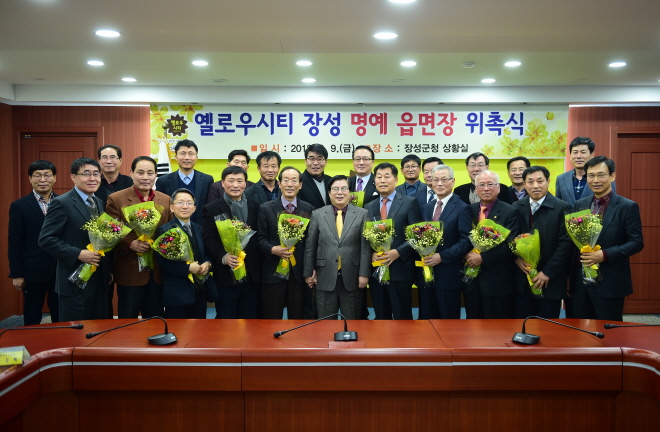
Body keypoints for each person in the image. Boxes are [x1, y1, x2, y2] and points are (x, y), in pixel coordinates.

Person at [570, 156, 643, 321]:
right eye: (591, 175)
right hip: (580, 284)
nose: (595, 180)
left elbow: (636, 242)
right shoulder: (580, 205)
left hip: (610, 281)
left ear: (612, 176)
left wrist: (604, 255)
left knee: (609, 329)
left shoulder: (627, 206)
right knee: (580, 328)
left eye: (601, 175)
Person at [38, 158, 112, 321]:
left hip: (98, 280)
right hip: (74, 281)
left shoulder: (99, 202)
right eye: (86, 174)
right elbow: (46, 239)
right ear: (73, 177)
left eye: (96, 174)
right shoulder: (61, 203)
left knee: (99, 328)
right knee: (76, 330)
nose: (92, 178)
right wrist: (78, 253)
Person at [104, 156, 173, 319]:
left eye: (150, 173)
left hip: (157, 273)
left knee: (155, 320)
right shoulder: (116, 199)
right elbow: (110, 231)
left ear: (156, 174)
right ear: (131, 173)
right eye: (140, 172)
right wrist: (130, 243)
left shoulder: (165, 199)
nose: (145, 177)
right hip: (130, 271)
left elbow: (169, 231)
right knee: (127, 320)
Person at [303, 175, 371, 319]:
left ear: (350, 192)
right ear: (329, 193)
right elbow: (310, 246)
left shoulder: (362, 214)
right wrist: (308, 272)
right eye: (335, 189)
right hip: (324, 276)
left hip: (353, 277)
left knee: (351, 322)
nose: (339, 192)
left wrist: (364, 273)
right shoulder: (318, 214)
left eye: (343, 188)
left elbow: (365, 248)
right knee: (325, 324)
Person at [512, 166, 573, 319]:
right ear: (524, 184)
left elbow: (565, 245)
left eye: (540, 181)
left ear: (548, 181)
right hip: (522, 278)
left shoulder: (562, 208)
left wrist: (547, 272)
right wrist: (516, 259)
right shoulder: (516, 207)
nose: (535, 186)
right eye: (530, 182)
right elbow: (511, 238)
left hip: (550, 280)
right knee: (522, 322)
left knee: (547, 324)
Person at [202, 166, 261, 319]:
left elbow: (259, 237)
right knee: (226, 319)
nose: (235, 185)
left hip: (251, 276)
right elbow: (209, 238)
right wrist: (224, 256)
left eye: (240, 181)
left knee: (250, 318)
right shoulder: (211, 209)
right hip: (225, 275)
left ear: (245, 183)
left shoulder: (256, 206)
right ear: (223, 183)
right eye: (231, 181)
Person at [364, 163, 421, 320]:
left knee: (402, 316)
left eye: (387, 176)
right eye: (379, 177)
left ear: (396, 180)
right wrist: (371, 254)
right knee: (381, 316)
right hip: (376, 270)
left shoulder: (410, 202)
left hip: (400, 269)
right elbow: (365, 236)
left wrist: (398, 252)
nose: (382, 180)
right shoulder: (369, 206)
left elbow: (416, 235)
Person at [257, 166, 315, 319]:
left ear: (300, 185)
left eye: (294, 180)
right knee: (271, 318)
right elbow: (260, 239)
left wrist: (310, 270)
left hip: (298, 274)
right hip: (272, 273)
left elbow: (311, 244)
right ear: (279, 184)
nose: (290, 184)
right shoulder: (266, 208)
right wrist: (272, 249)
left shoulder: (309, 209)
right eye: (286, 180)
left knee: (298, 318)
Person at [8, 160, 60, 325]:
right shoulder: (19, 206)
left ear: (54, 178)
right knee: (32, 313)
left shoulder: (63, 202)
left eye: (47, 175)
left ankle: (62, 339)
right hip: (32, 270)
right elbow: (15, 241)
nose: (42, 180)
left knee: (60, 312)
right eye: (37, 176)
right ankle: (31, 340)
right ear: (30, 179)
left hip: (60, 268)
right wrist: (17, 274)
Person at [463, 170, 520, 319]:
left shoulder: (510, 211)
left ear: (499, 187)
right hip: (471, 281)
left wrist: (483, 258)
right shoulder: (469, 210)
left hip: (497, 281)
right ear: (476, 189)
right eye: (481, 185)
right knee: (472, 323)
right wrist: (466, 253)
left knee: (496, 325)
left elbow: (510, 244)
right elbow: (462, 236)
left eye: (490, 184)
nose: (486, 188)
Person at [419, 164, 472, 319]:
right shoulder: (426, 207)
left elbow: (466, 241)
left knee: (448, 321)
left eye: (444, 179)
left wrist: (442, 257)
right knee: (427, 319)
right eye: (435, 180)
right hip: (427, 273)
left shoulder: (462, 207)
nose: (439, 184)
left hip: (449, 274)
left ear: (453, 181)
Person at [155, 188, 218, 318]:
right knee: (178, 329)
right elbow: (162, 262)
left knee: (200, 328)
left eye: (189, 203)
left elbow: (208, 252)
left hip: (200, 291)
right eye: (180, 202)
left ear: (194, 208)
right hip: (177, 293)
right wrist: (187, 268)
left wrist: (208, 263)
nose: (185, 206)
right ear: (171, 207)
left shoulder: (199, 229)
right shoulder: (165, 231)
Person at [155, 139, 214, 223]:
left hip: (200, 228)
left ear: (196, 157)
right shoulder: (163, 181)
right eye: (182, 153)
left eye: (191, 153)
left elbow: (209, 207)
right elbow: (161, 208)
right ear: (176, 157)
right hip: (172, 228)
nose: (187, 157)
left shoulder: (207, 180)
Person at [555, 137, 616, 208]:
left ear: (592, 155)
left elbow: (612, 202)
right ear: (570, 156)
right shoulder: (561, 179)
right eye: (575, 152)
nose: (578, 156)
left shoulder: (604, 178)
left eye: (583, 152)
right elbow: (558, 205)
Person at [297, 143, 332, 209]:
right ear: (305, 161)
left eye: (319, 159)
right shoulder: (298, 181)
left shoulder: (331, 181)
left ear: (326, 162)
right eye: (312, 159)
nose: (315, 163)